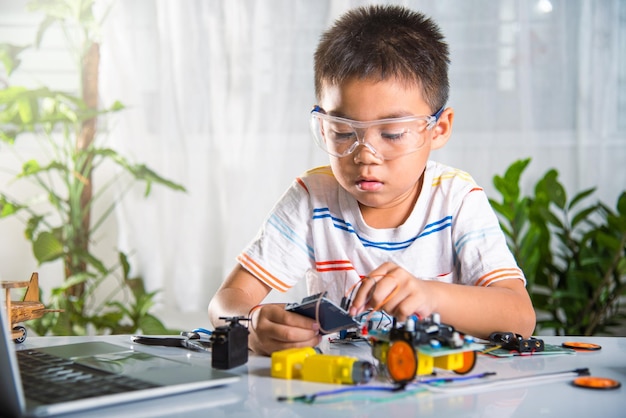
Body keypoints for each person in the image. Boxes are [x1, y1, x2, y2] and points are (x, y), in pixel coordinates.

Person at [208, 4, 536, 356]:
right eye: (343, 132)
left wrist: (430, 295)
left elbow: (519, 316)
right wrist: (251, 324)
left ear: (438, 129)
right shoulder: (311, 198)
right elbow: (225, 302)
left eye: (392, 133)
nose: (365, 154)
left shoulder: (456, 198)